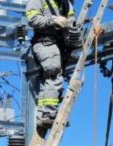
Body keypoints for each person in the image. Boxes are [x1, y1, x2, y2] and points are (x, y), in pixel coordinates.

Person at [25, 0, 76, 129]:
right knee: (54, 74)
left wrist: (71, 27)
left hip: (60, 45)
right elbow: (32, 19)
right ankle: (49, 114)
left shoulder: (66, 3)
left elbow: (73, 22)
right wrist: (52, 20)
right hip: (44, 42)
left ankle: (44, 114)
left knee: (48, 80)